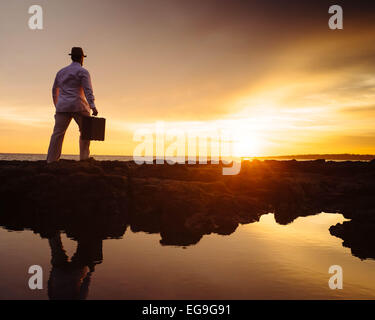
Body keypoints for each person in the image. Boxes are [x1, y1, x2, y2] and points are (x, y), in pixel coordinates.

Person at [46, 47, 99, 163]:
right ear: (81, 58)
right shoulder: (83, 72)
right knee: (86, 131)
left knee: (58, 133)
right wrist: (92, 106)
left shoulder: (61, 72)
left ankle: (51, 160)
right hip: (78, 105)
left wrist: (57, 105)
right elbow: (87, 90)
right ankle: (84, 158)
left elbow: (54, 90)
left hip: (62, 106)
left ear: (71, 57)